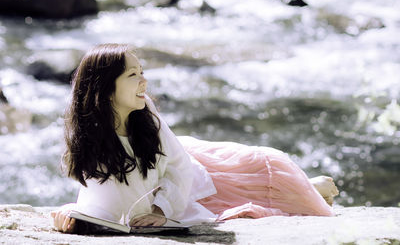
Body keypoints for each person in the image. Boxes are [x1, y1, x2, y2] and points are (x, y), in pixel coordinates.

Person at [51, 43, 339, 233]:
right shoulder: (89, 136)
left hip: (188, 171)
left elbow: (179, 166)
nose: (144, 82)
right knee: (238, 206)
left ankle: (310, 185)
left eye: (142, 72)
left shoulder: (146, 114)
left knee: (261, 170)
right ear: (106, 89)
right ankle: (310, 187)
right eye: (132, 75)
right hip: (173, 189)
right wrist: (72, 216)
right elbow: (102, 198)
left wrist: (161, 210)